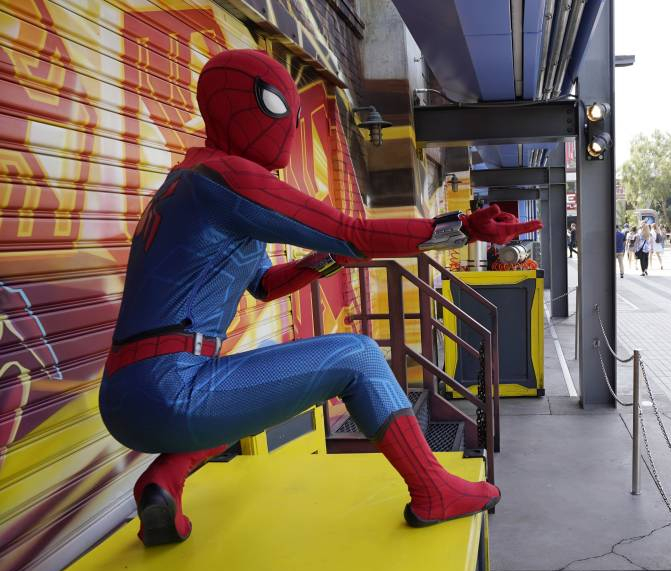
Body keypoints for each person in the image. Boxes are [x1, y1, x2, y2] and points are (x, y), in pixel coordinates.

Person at [97, 50, 534, 545]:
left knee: (254, 389)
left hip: (126, 395)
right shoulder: (227, 177)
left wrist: (327, 260)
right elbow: (349, 230)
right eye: (280, 107)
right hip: (174, 387)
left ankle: (165, 480)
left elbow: (264, 284)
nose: (292, 125)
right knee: (359, 356)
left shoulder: (187, 183)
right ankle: (432, 488)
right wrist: (462, 229)